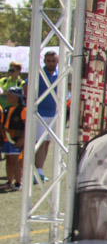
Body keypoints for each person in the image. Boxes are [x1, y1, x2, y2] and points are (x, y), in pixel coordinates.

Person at [31, 50, 59, 185]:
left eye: (53, 61)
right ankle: (38, 172)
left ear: (57, 61)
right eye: (48, 61)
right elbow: (27, 87)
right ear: (44, 61)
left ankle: (40, 170)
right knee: (40, 142)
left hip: (53, 114)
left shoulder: (60, 74)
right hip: (40, 114)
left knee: (47, 142)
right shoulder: (39, 74)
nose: (51, 63)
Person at [1, 86, 26, 190]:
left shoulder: (23, 109)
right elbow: (2, 124)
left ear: (16, 97)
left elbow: (26, 126)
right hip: (6, 139)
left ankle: (18, 183)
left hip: (15, 139)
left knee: (15, 161)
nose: (7, 97)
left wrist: (22, 139)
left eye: (10, 95)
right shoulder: (6, 109)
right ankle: (9, 181)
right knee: (8, 160)